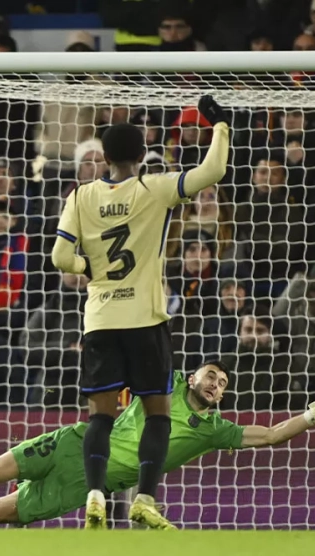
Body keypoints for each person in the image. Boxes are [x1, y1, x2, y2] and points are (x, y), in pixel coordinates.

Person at [0, 362, 315, 529]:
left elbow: (269, 435)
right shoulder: (161, 382)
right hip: (72, 443)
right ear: (193, 375)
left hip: (84, 485)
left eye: (223, 384)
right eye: (212, 375)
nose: (216, 384)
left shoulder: (214, 430)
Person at [49, 94, 230, 530]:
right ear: (141, 153)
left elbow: (59, 257)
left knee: (100, 417)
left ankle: (95, 495)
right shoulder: (155, 187)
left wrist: (87, 268)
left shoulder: (80, 195)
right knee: (158, 415)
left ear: (105, 156)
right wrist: (221, 126)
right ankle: (145, 499)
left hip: (101, 320)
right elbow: (213, 171)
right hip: (146, 320)